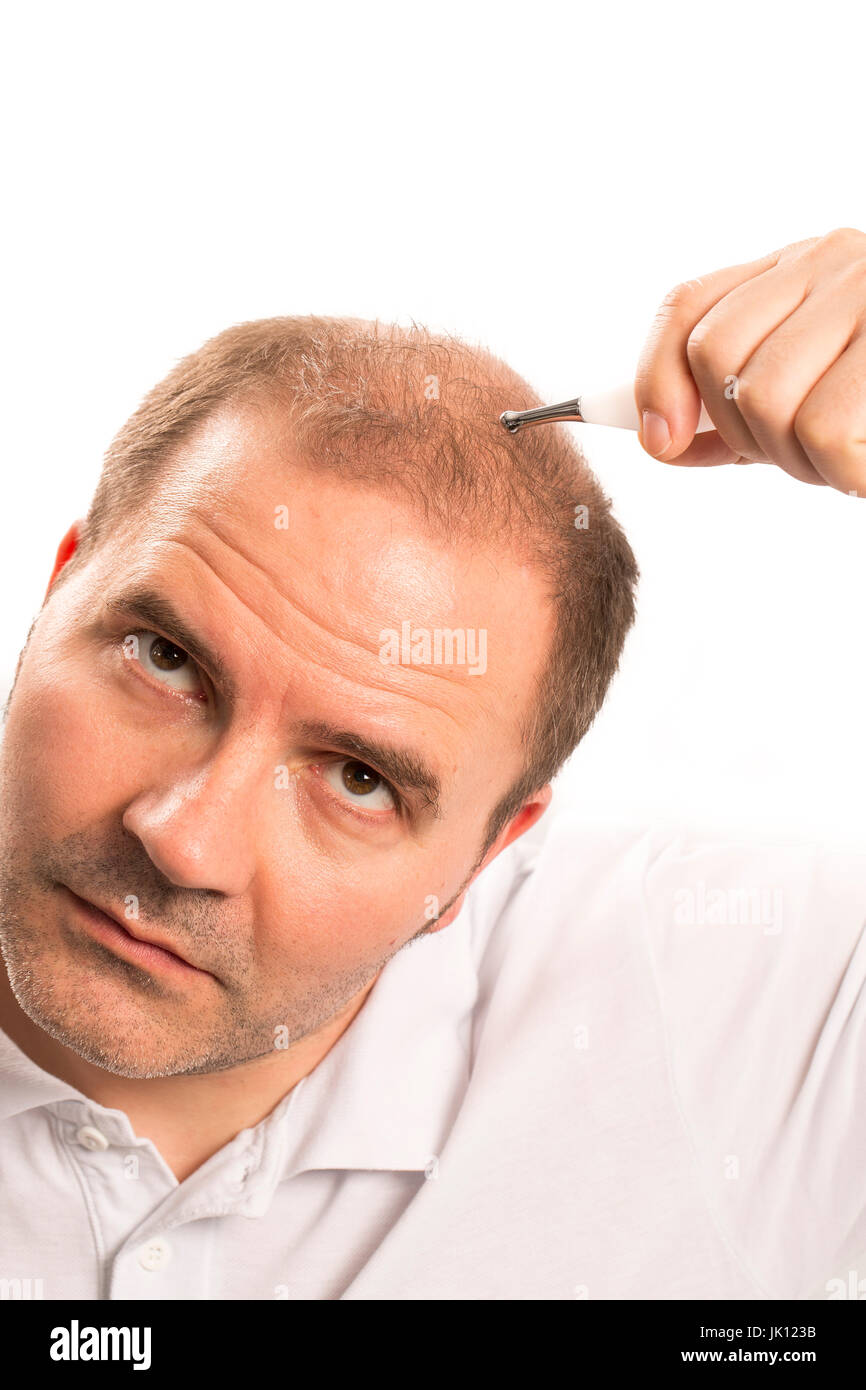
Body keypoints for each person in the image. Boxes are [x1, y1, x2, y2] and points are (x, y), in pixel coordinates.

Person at [0, 230, 863, 1300]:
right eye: (166, 661)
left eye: (358, 778)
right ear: (57, 595)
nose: (183, 837)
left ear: (486, 852)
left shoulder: (748, 1020)